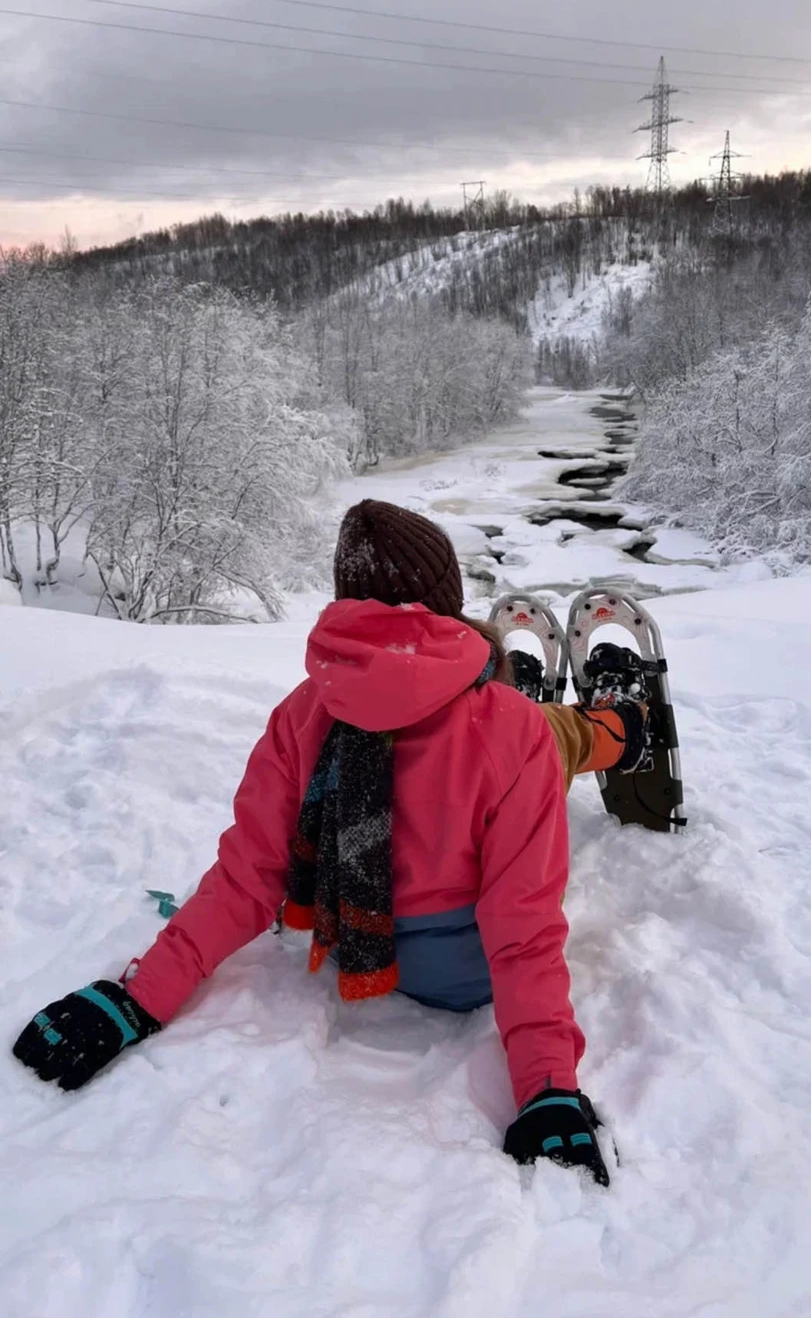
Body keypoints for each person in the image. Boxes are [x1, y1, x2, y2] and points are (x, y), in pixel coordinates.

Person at [13, 500, 651, 1187]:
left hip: (352, 937)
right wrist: (545, 1085)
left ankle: (529, 686)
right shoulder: (508, 733)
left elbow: (246, 879)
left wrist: (137, 999)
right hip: (468, 978)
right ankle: (622, 723)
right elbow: (520, 925)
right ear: (443, 602)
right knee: (555, 736)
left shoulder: (302, 711)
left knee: (520, 729)